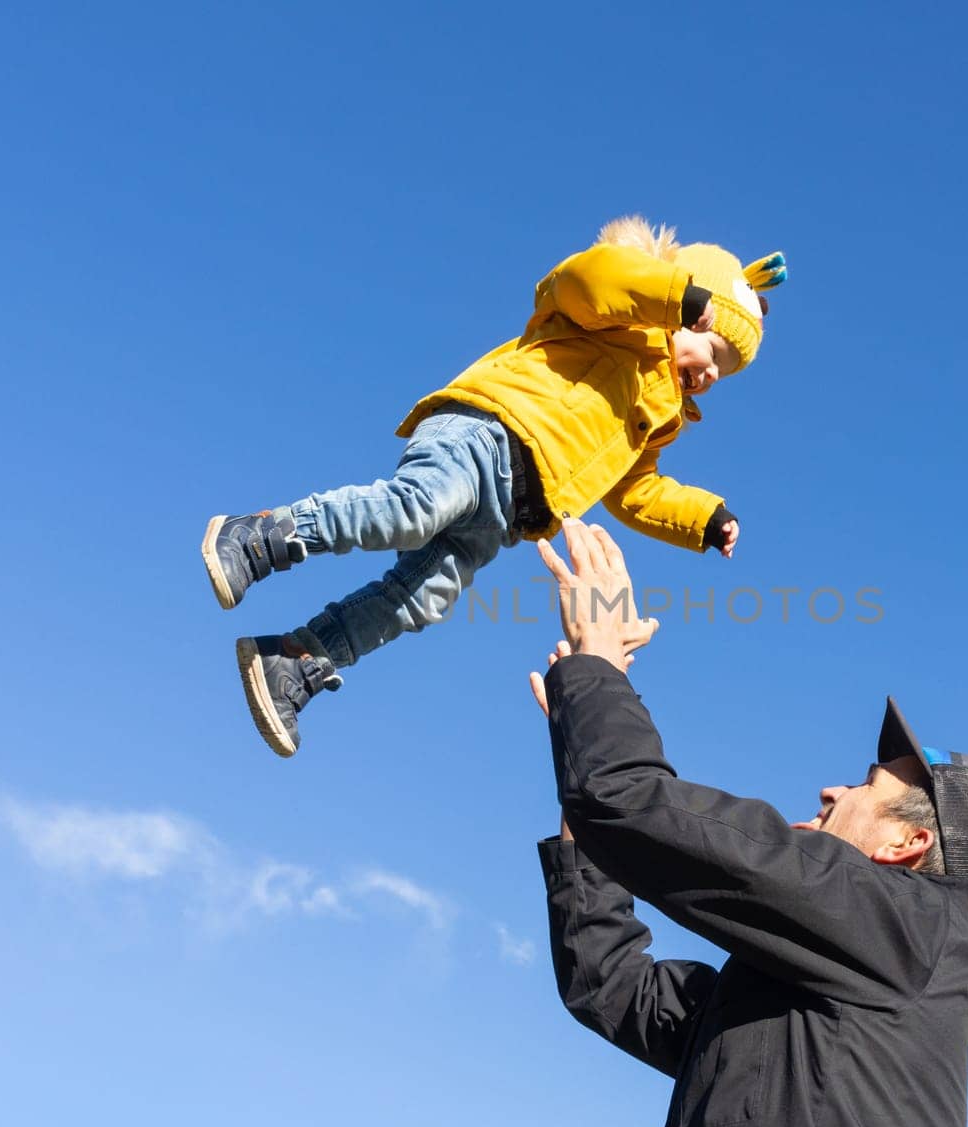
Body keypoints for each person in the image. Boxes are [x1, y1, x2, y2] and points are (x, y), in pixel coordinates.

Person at [528, 521, 968, 1127]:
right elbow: (607, 984)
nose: (833, 790)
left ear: (905, 845)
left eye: (867, 786)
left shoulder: (917, 927)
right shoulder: (800, 983)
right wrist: (583, 787)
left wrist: (597, 665)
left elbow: (631, 801)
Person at [199, 217, 786, 756]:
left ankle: (294, 659)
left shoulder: (657, 417)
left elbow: (635, 493)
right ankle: (260, 538)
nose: (708, 375)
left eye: (721, 375)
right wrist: (670, 293)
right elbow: (586, 280)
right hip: (485, 437)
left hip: (509, 517)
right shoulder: (615, 320)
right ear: (683, 306)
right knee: (415, 509)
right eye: (712, 351)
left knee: (426, 596)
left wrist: (704, 518)